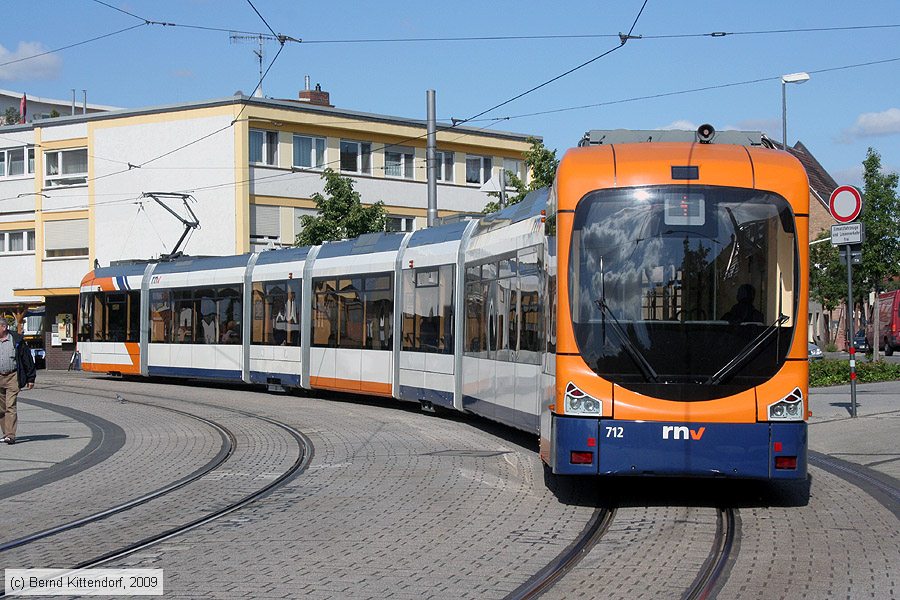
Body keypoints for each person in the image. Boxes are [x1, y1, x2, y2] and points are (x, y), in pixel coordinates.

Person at [0, 319, 36, 445]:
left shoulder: (16, 341)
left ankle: (10, 435)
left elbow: (27, 359)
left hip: (13, 377)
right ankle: (6, 433)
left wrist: (31, 378)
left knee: (10, 406)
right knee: (1, 408)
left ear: (3, 327)